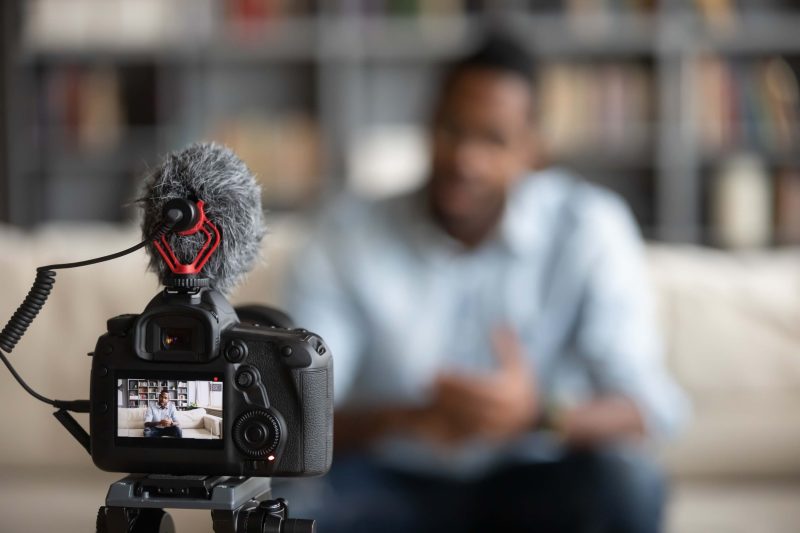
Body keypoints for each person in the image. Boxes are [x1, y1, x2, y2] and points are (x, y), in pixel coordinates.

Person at [281, 33, 688, 533]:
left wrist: (537, 416)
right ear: (428, 124)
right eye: (453, 129)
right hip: (391, 479)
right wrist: (410, 419)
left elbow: (648, 408)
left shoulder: (590, 228)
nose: (466, 159)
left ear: (533, 150)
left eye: (493, 139)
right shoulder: (344, 235)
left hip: (538, 475)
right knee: (285, 506)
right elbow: (294, 417)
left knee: (630, 482)